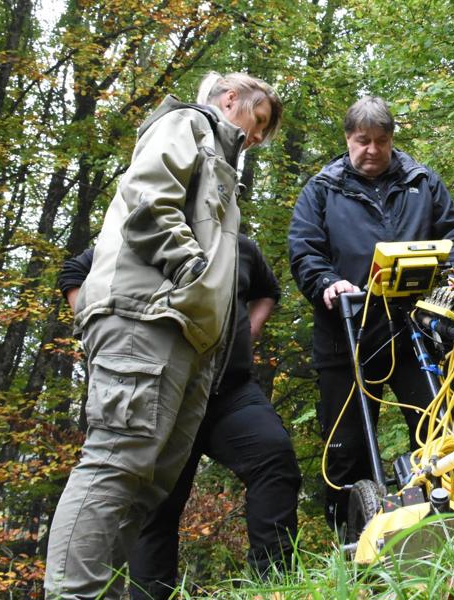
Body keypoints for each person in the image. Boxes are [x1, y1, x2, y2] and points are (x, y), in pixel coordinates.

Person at [45, 72, 282, 600]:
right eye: (258, 120)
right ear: (229, 99)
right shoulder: (187, 123)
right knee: (116, 460)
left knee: (149, 482)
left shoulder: (219, 157)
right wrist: (192, 273)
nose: (259, 136)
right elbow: (149, 198)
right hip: (146, 317)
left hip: (184, 335)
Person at [57, 233, 301, 599]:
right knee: (156, 504)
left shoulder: (238, 246)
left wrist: (250, 329)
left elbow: (268, 289)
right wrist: (98, 326)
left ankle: (274, 586)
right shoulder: (139, 236)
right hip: (162, 392)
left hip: (229, 391)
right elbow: (73, 273)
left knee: (273, 455)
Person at [287, 96, 454, 532]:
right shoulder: (322, 189)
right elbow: (304, 250)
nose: (371, 150)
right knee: (346, 445)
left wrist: (453, 272)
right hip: (347, 334)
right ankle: (352, 542)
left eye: (380, 141)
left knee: (435, 428)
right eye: (361, 141)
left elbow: (453, 233)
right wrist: (327, 283)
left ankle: (450, 522)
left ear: (392, 139)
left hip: (415, 332)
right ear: (348, 140)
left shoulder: (421, 181)